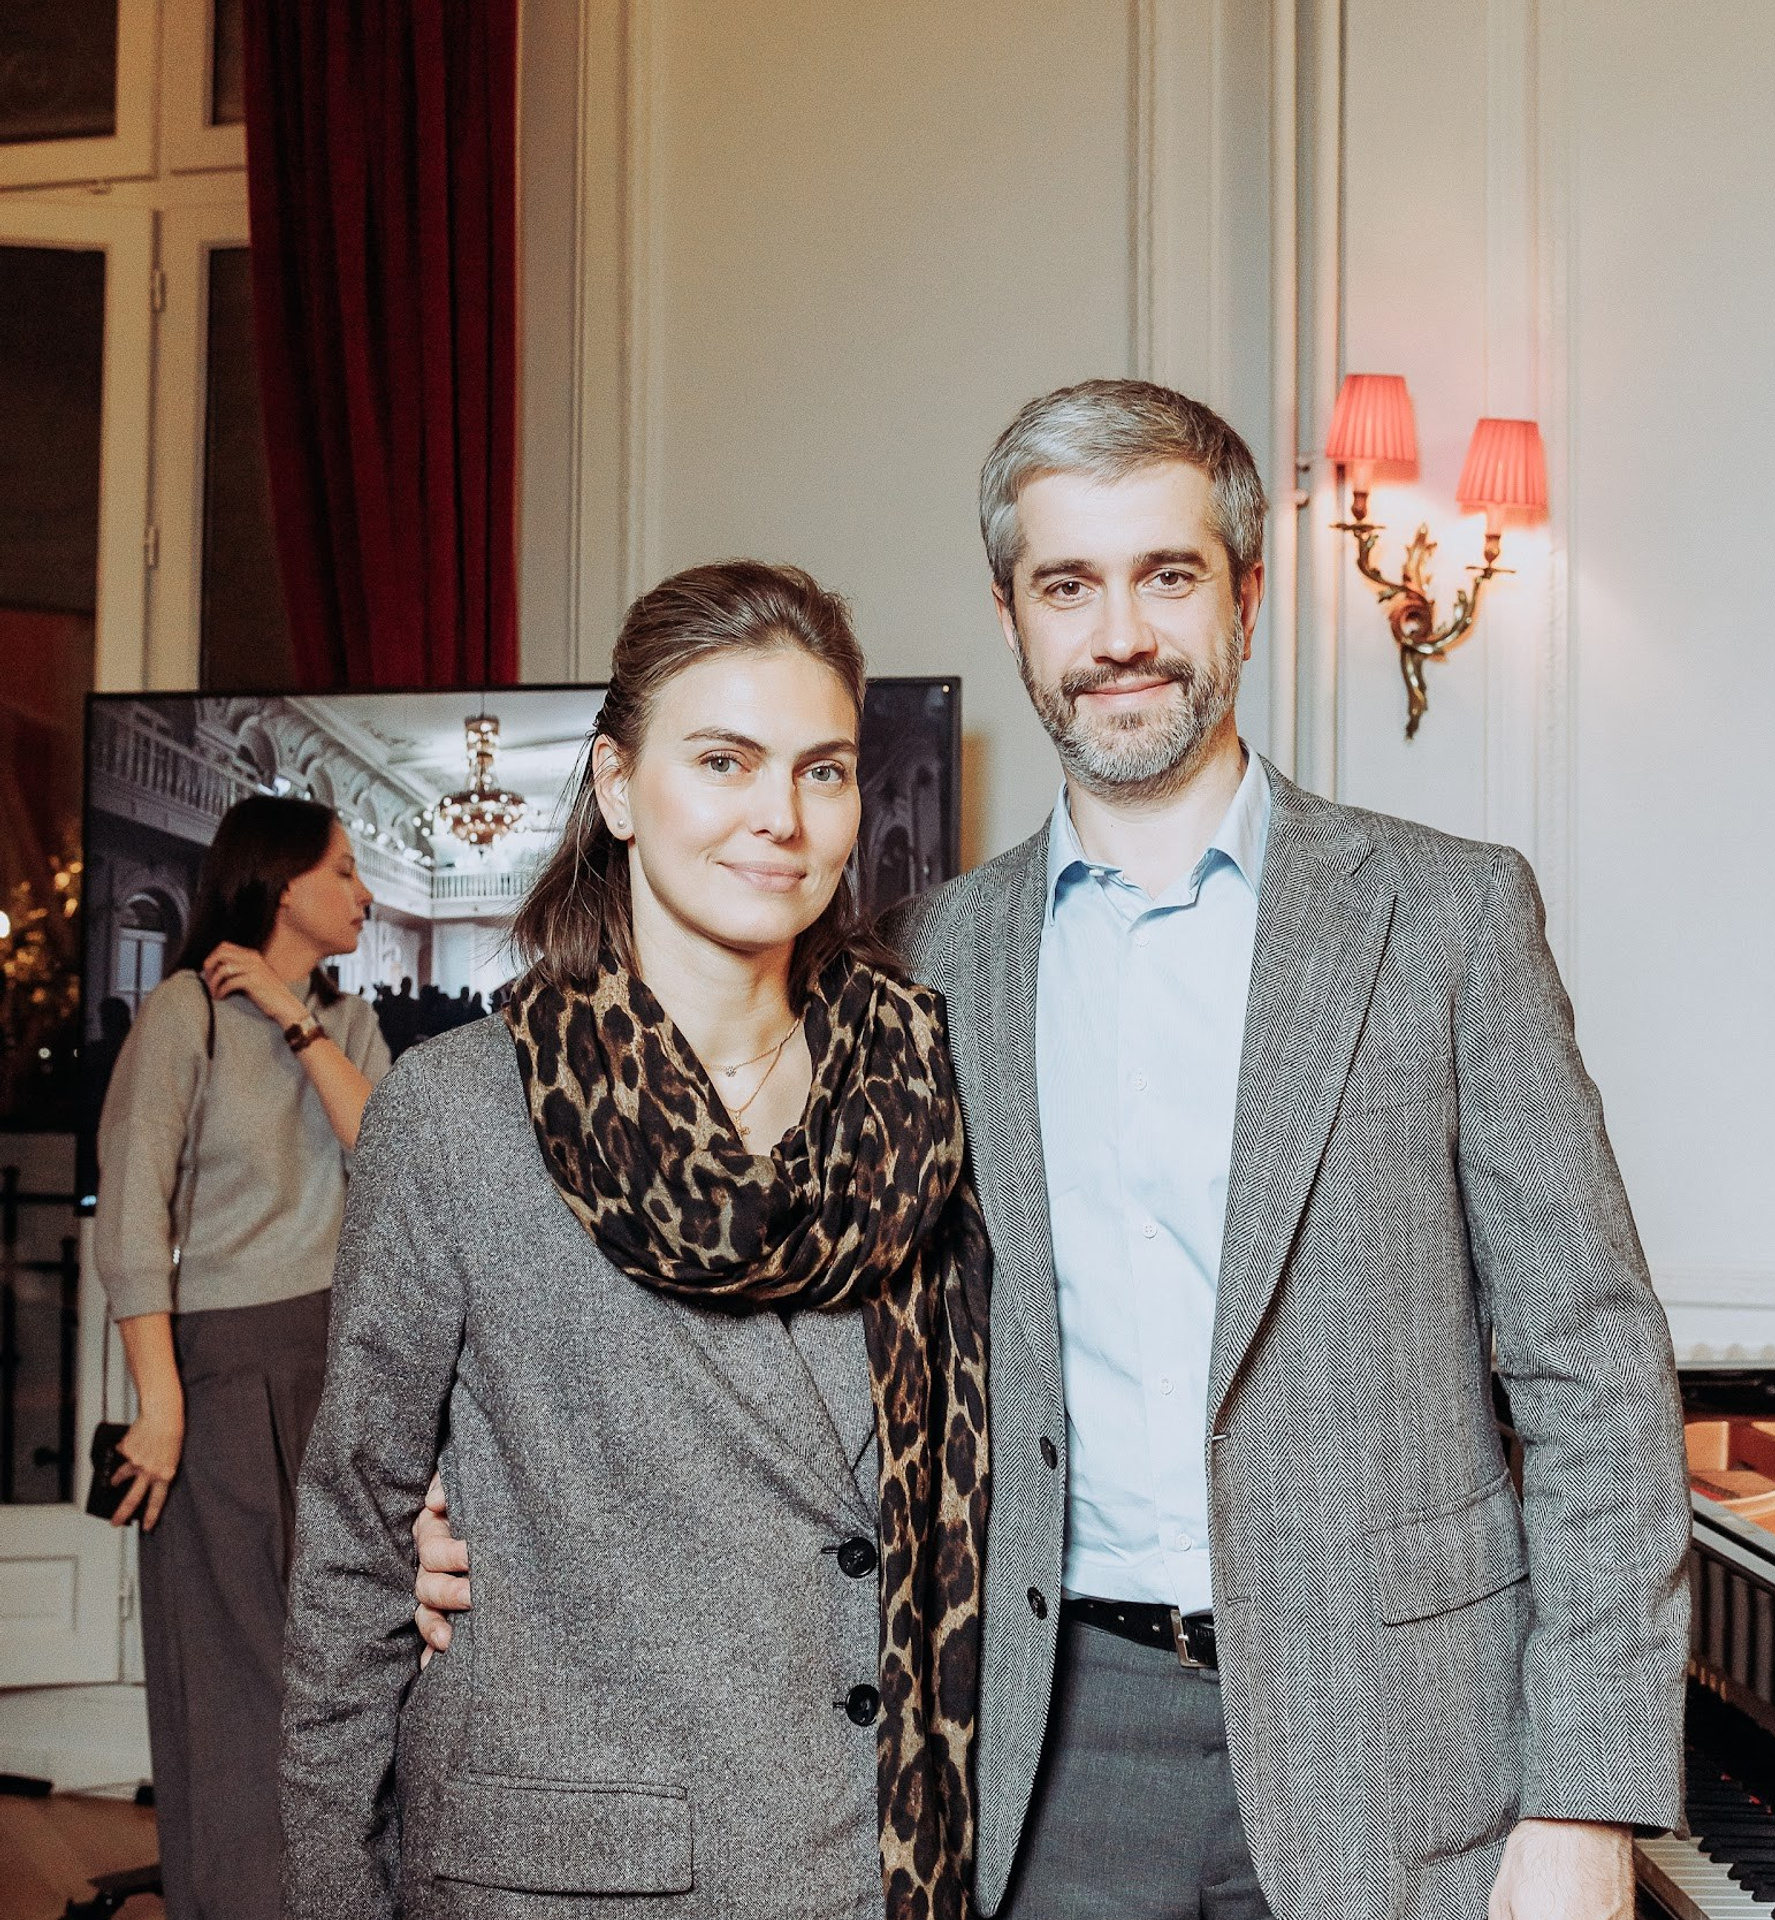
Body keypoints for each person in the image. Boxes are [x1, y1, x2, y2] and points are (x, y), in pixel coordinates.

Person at [416, 382, 1691, 1920]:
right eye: (1067, 586)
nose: (1121, 634)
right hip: (1040, 1748)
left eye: (1168, 575)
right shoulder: (909, 967)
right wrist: (474, 1505)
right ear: (1015, 621)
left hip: (1408, 1746)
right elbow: (751, 1322)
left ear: (1247, 596)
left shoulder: (1446, 918)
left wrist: (1588, 1796)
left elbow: (1593, 1370)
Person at [280, 562, 991, 1920]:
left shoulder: (929, 1091)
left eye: (823, 771)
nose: (779, 819)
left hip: (878, 1864)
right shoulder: (459, 1114)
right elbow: (356, 1542)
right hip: (571, 1874)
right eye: (723, 761)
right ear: (615, 786)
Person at [95, 794, 390, 1920]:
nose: (363, 893)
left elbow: (391, 1157)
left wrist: (292, 1015)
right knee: (231, 1678)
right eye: (347, 870)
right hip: (213, 1374)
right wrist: (157, 1403)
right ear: (279, 884)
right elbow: (131, 1219)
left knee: (338, 1671)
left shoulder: (346, 1022)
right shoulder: (181, 1014)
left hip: (338, 1364)